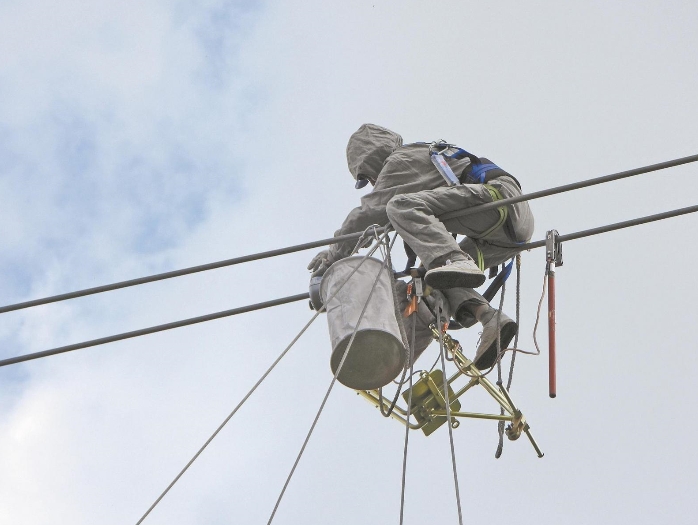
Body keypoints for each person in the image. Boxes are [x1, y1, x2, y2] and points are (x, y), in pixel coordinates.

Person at [307, 124, 534, 369]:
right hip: (505, 231)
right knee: (436, 281)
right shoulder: (421, 159)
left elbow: (368, 214)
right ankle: (491, 319)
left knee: (399, 207)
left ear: (372, 159)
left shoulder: (401, 161)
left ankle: (453, 259)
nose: (373, 182)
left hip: (497, 202)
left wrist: (333, 257)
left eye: (366, 177)